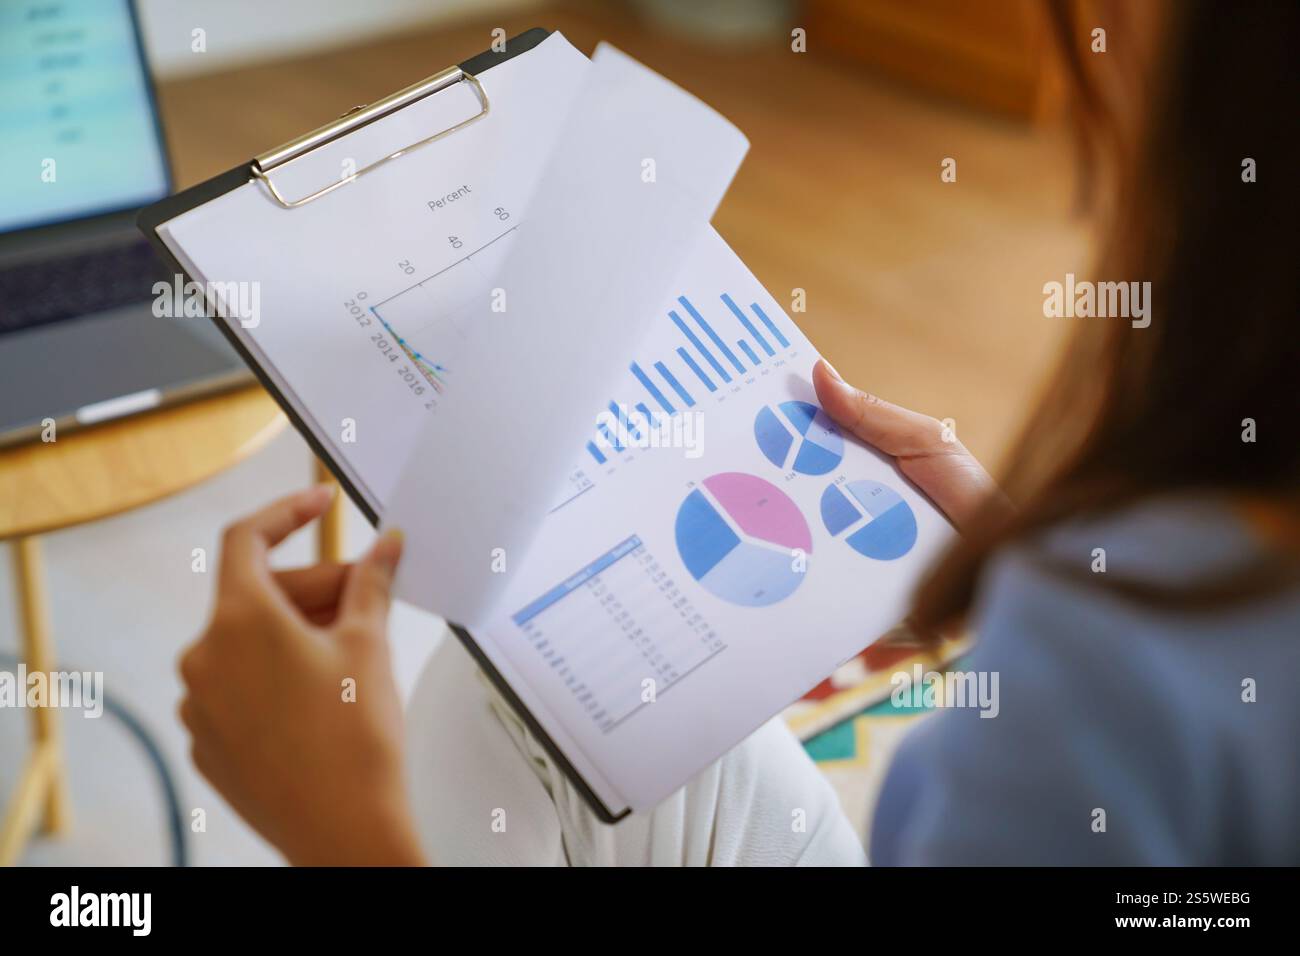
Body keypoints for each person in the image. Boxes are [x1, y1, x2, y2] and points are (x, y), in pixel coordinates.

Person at [178, 0, 1299, 865]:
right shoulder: (1186, 599)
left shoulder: (1107, 680)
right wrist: (1022, 552)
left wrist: (339, 829)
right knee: (514, 696)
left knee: (497, 718)